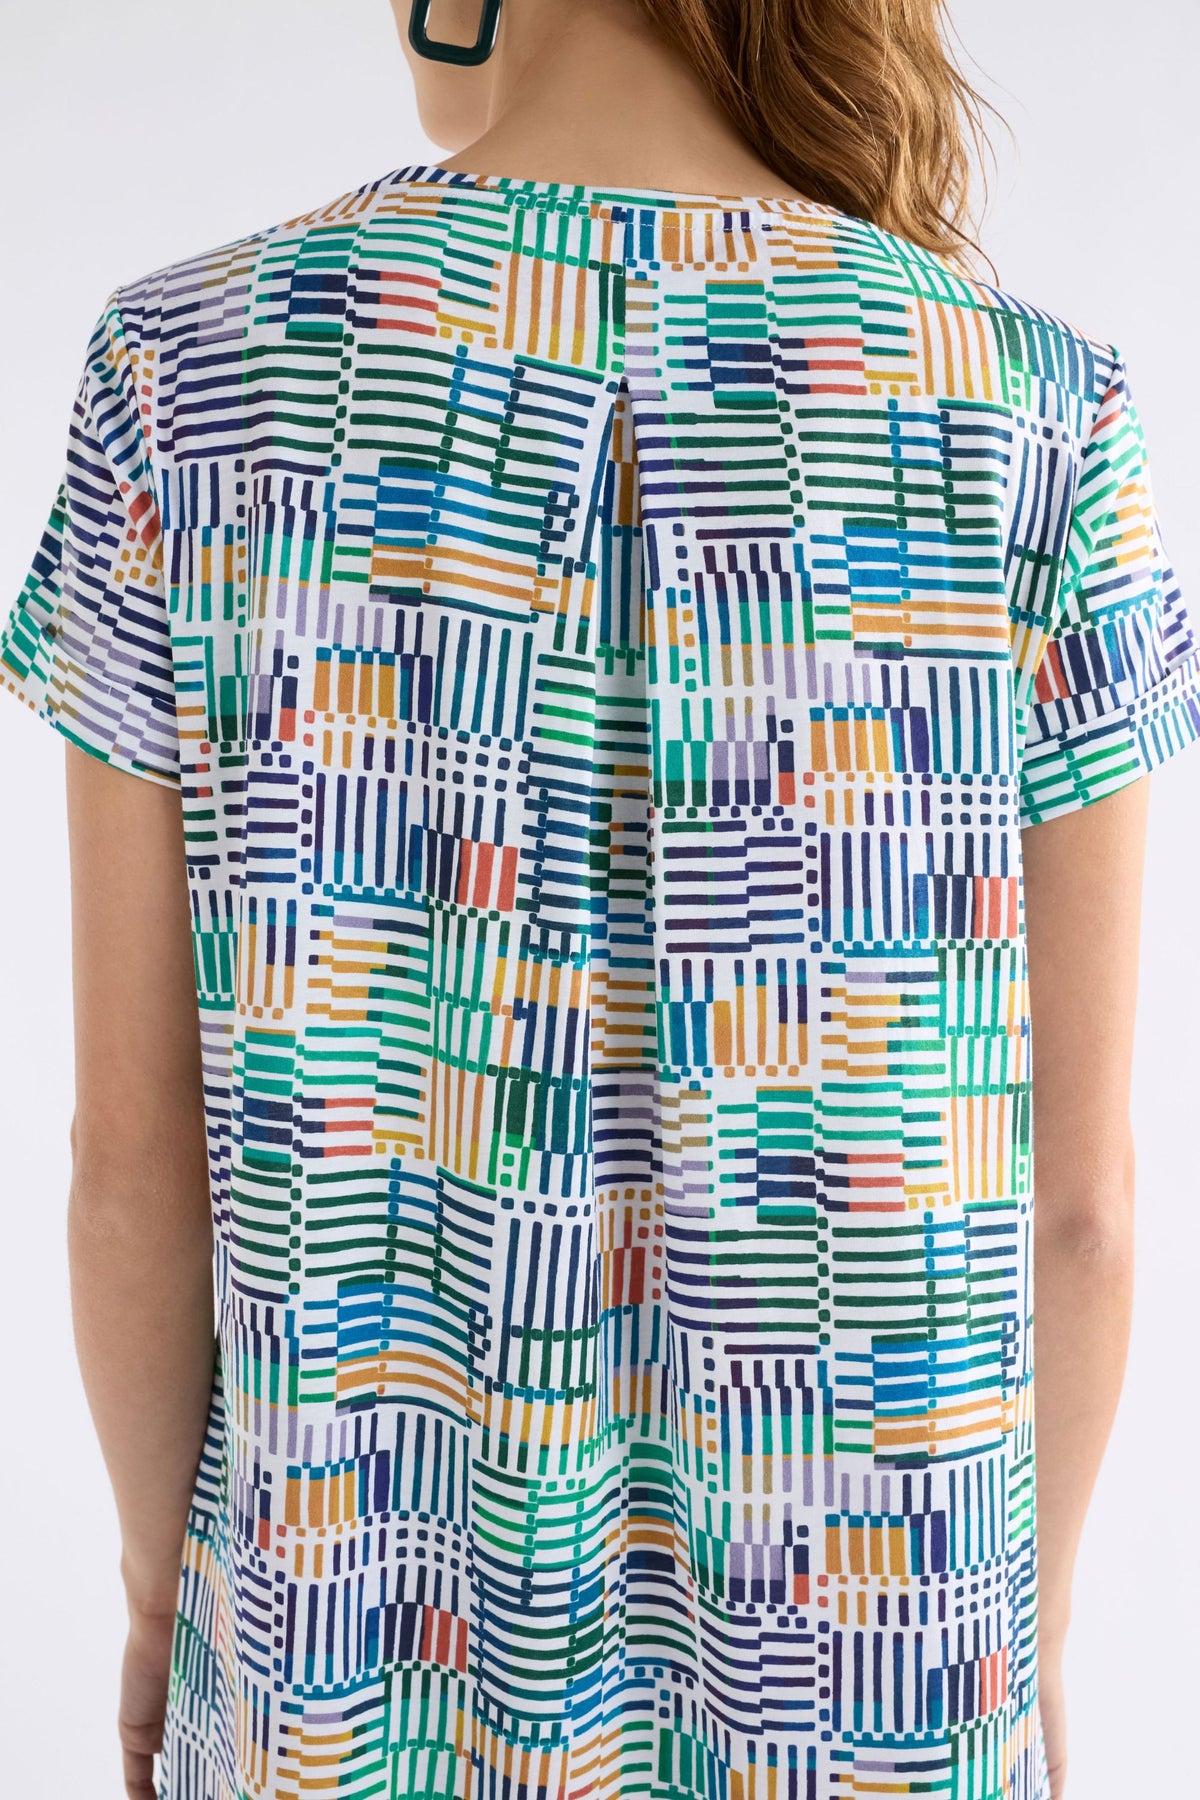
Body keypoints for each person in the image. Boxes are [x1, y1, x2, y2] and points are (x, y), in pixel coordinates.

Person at [2, 3, 1197, 1797]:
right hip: (880, 1669)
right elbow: (1080, 1213)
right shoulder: (1036, 410)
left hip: (344, 1662)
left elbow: (131, 1165)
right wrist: (1025, 1647)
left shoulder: (188, 373)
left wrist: (162, 1600)